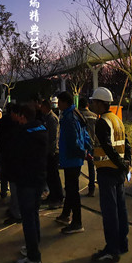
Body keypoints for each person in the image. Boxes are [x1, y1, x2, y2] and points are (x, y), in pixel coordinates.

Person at [89, 87, 131, 263]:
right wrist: (126, 165)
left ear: (101, 103)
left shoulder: (102, 122)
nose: (92, 105)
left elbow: (107, 147)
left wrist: (120, 164)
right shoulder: (117, 120)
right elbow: (126, 144)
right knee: (121, 209)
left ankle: (112, 249)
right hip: (119, 173)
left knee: (109, 212)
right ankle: (122, 243)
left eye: (94, 102)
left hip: (107, 172)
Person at [11, 104, 48, 263]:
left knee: (28, 218)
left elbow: (17, 157)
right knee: (34, 214)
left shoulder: (23, 133)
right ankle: (33, 246)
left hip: (26, 181)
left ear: (23, 116)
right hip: (39, 178)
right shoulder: (42, 129)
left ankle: (34, 258)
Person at [55, 91, 91, 234]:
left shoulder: (69, 118)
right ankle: (66, 215)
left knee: (72, 190)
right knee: (70, 189)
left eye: (59, 102)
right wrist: (86, 149)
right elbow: (85, 134)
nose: (58, 104)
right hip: (74, 158)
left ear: (65, 102)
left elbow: (73, 140)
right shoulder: (76, 114)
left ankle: (77, 222)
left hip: (71, 158)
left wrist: (81, 152)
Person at [34, 95, 63, 209]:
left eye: (42, 106)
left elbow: (52, 137)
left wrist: (49, 150)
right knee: (50, 176)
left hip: (52, 152)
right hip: (47, 151)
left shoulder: (52, 119)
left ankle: (58, 197)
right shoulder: (46, 117)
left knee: (54, 176)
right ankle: (52, 195)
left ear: (46, 107)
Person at [0, 104, 22, 225]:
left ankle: (17, 213)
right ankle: (14, 210)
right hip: (12, 159)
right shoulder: (20, 125)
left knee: (14, 187)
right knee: (13, 186)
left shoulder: (18, 125)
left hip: (12, 160)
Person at [81, 99, 98, 196]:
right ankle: (92, 188)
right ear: (87, 105)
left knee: (77, 166)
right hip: (92, 143)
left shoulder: (78, 115)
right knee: (91, 167)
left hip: (81, 144)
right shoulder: (94, 116)